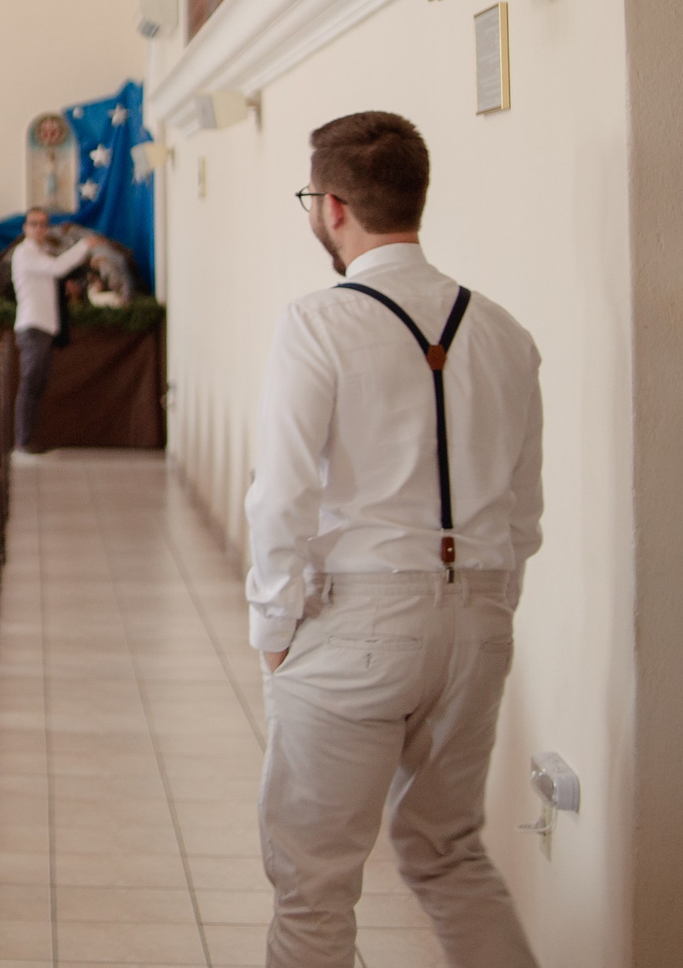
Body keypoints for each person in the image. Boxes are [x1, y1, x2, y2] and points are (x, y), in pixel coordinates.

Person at [248, 111, 543, 968]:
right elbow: (523, 511)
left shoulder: (317, 322)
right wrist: (487, 608)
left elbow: (282, 494)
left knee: (314, 886)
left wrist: (273, 630)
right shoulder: (505, 332)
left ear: (333, 206)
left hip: (361, 623)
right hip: (477, 621)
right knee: (450, 856)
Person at [7, 207, 106, 452]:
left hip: (43, 326)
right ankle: (22, 440)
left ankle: (28, 437)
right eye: (34, 223)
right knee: (30, 383)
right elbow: (57, 267)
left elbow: (52, 276)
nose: (39, 228)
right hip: (32, 326)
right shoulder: (24, 252)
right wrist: (85, 245)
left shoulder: (40, 252)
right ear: (25, 227)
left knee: (38, 384)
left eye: (43, 224)